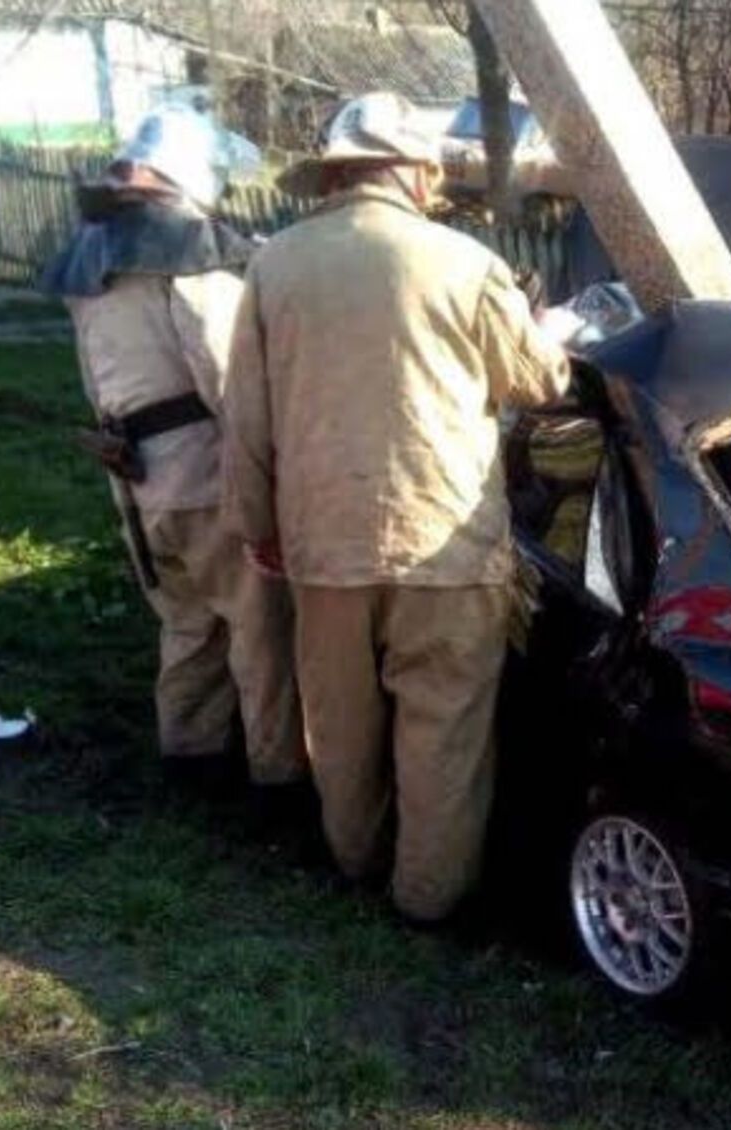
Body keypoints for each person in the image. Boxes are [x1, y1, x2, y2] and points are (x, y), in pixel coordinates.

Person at [223, 92, 571, 922]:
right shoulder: (466, 263)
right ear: (415, 173)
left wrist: (259, 529)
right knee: (442, 724)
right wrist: (550, 333)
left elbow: (245, 419)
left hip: (321, 541)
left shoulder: (274, 266)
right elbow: (538, 383)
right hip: (445, 541)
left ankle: (356, 862)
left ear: (334, 175)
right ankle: (429, 899)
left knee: (340, 723)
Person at [40, 106, 306, 792]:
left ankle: (190, 755)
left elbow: (97, 377)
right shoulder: (185, 256)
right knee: (259, 630)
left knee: (187, 623)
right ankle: (277, 776)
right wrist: (272, 470)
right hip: (206, 476)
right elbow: (227, 379)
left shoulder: (92, 253)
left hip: (138, 477)